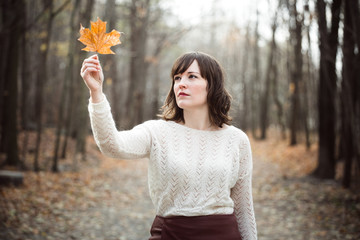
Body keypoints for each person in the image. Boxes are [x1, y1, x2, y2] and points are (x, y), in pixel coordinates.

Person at [80, 51, 257, 240]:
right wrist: (96, 93)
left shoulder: (236, 139)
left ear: (212, 85)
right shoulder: (157, 132)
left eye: (192, 77)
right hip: (172, 234)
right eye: (177, 78)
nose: (181, 83)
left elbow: (244, 209)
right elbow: (111, 144)